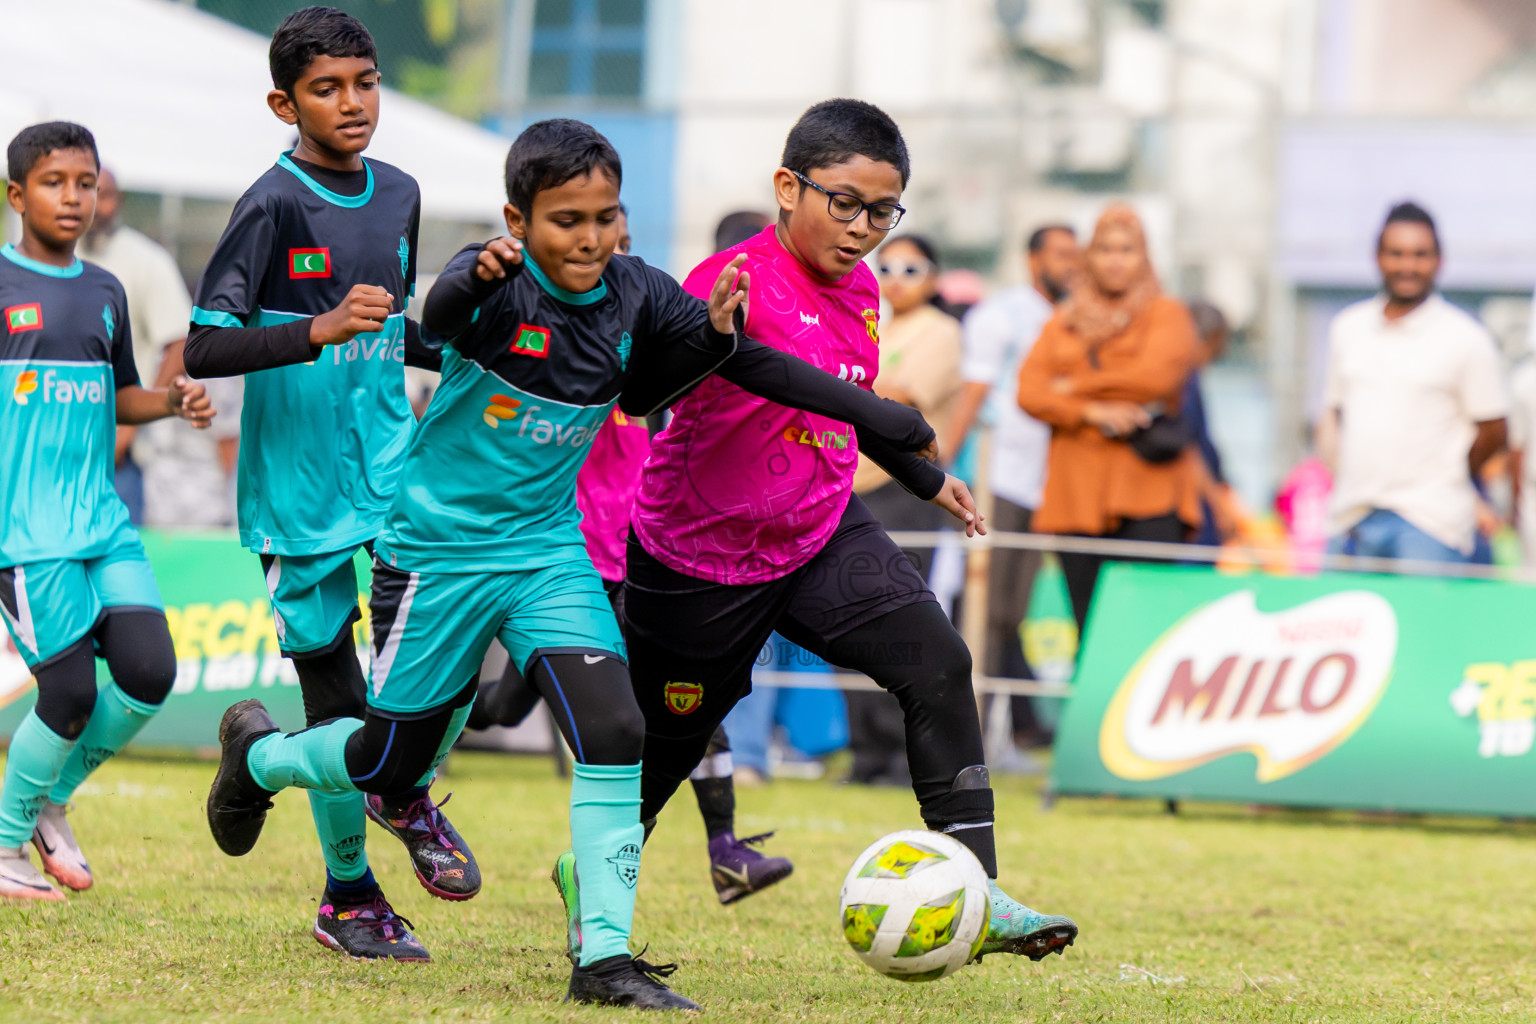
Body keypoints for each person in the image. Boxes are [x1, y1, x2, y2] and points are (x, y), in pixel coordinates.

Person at [204, 116, 940, 1010]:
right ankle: (263, 756)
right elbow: (436, 315)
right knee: (387, 765)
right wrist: (465, 278)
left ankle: (604, 961)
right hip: (438, 555)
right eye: (567, 221)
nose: (592, 238)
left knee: (617, 730)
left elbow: (728, 372)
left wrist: (724, 340)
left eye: (606, 216)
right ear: (518, 221)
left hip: (548, 551)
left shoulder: (639, 291)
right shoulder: (492, 288)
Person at [618, 98, 1079, 965]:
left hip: (820, 528)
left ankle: (978, 896)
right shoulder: (730, 279)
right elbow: (755, 381)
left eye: (884, 210)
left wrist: (927, 476)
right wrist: (894, 422)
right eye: (846, 204)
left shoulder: (862, 290)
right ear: (788, 187)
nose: (866, 229)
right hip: (702, 557)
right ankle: (597, 886)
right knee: (666, 748)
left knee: (939, 662)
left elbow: (844, 413)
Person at [183, 7, 465, 961]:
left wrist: (488, 340)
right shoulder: (270, 204)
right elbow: (207, 346)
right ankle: (350, 897)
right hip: (294, 490)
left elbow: (397, 326)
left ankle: (384, 788)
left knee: (449, 648)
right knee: (340, 710)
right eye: (327, 88)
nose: (353, 103)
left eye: (366, 82)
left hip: (395, 474)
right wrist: (315, 328)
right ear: (284, 101)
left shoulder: (402, 194)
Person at [468, 205, 795, 907]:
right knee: (501, 708)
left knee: (684, 698)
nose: (605, 251)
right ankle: (416, 721)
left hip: (634, 551)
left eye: (618, 237)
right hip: (568, 559)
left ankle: (723, 849)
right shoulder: (560, 335)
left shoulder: (656, 329)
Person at [0, 122, 213, 900]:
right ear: (17, 195)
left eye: (85, 183)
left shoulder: (106, 291)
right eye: (55, 182)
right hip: (24, 531)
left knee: (151, 673)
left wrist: (171, 400)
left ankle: (50, 800)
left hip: (102, 521)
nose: (73, 197)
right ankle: (4, 847)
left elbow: (118, 393)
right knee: (69, 693)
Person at [1017, 204, 1202, 636]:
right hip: (1076, 494)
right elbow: (1028, 390)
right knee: (1091, 630)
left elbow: (1154, 378)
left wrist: (1068, 387)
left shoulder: (1168, 314)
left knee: (1145, 630)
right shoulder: (1063, 321)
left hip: (1149, 491)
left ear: (1145, 257)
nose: (1116, 260)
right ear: (1088, 257)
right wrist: (1092, 411)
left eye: (1127, 249)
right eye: (1104, 249)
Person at [947, 224, 1077, 747]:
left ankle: (989, 736)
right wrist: (935, 466)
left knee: (1010, 614)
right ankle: (964, 736)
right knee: (982, 609)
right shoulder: (999, 316)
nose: (1071, 265)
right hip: (996, 479)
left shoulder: (1074, 318)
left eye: (1077, 255)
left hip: (1048, 487)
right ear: (1032, 259)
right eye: (1060, 254)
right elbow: (974, 394)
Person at [1321, 201, 1507, 565]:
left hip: (1429, 523)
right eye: (1397, 254)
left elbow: (1494, 430)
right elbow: (1337, 414)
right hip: (1352, 519)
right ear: (1378, 257)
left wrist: (1450, 472)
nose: (1408, 266)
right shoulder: (1348, 328)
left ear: (1440, 260)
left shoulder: (1465, 337)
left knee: (1424, 623)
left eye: (1420, 255)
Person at [846, 233, 963, 785]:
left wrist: (852, 387)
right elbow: (867, 391)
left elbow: (899, 398)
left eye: (912, 269)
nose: (896, 277)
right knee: (847, 622)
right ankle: (866, 754)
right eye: (887, 265)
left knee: (898, 621)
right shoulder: (877, 323)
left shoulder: (941, 332)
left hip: (904, 489)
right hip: (851, 484)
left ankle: (900, 756)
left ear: (935, 279)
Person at [83, 167, 243, 528]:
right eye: (83, 191)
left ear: (119, 200)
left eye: (102, 194)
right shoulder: (60, 260)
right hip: (64, 444)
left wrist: (129, 425)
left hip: (123, 453)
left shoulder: (145, 261)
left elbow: (178, 343)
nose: (92, 205)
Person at [1184, 301, 1239, 547]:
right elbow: (1187, 450)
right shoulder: (1184, 379)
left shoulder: (1188, 378)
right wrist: (1219, 507)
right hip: (1194, 510)